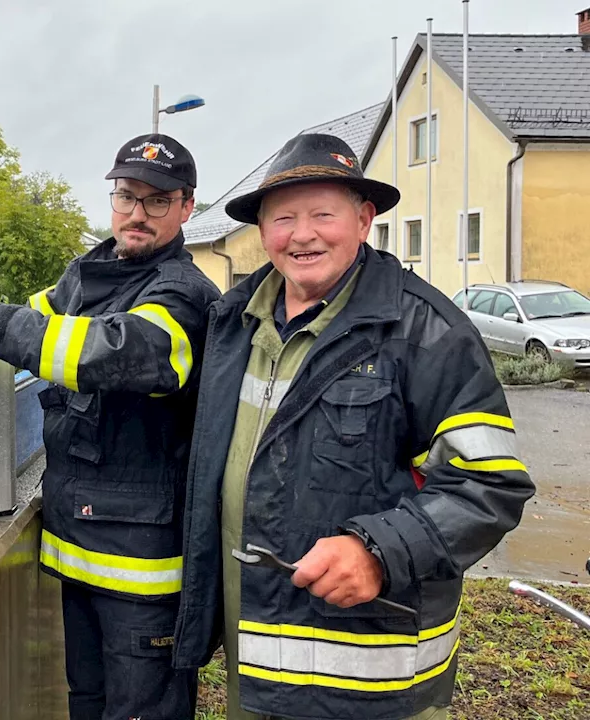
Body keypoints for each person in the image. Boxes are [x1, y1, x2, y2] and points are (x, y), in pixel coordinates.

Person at [170, 133, 536, 720]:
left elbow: (488, 486)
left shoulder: (428, 331)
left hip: (371, 683)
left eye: (323, 214)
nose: (303, 234)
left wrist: (379, 551)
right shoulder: (234, 323)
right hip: (256, 663)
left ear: (364, 220)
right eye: (283, 217)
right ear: (263, 232)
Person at [0, 133, 221, 720]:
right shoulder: (92, 274)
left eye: (157, 201)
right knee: (87, 706)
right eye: (126, 196)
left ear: (186, 207)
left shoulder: (184, 294)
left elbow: (116, 350)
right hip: (78, 551)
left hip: (144, 575)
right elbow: (36, 320)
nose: (136, 213)